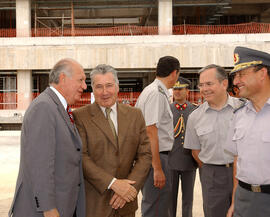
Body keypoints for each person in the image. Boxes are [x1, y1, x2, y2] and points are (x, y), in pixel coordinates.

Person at [8, 58, 87, 217]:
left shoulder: (58, 108)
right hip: (45, 211)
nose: (84, 86)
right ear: (63, 79)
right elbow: (40, 165)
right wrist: (48, 208)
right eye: (81, 80)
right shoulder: (44, 107)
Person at [73, 64, 152, 217]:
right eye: (99, 87)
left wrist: (129, 189)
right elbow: (81, 157)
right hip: (95, 204)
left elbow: (145, 155)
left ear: (117, 87)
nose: (105, 92)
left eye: (109, 85)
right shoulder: (80, 116)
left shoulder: (135, 115)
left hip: (126, 203)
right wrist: (113, 184)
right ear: (93, 89)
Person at [184, 64, 243, 217]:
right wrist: (212, 169)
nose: (204, 89)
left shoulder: (243, 109)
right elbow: (195, 151)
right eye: (201, 85)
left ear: (224, 83)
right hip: (212, 175)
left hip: (243, 173)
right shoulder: (194, 117)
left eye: (209, 84)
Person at [225, 46, 270, 217]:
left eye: (241, 74)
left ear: (262, 73)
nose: (235, 81)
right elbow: (238, 161)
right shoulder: (239, 116)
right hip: (243, 198)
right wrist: (235, 201)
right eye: (235, 76)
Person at [135, 56, 180, 217]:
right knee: (156, 207)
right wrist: (158, 167)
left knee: (158, 205)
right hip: (157, 157)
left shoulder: (152, 90)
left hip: (154, 157)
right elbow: (150, 130)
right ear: (175, 73)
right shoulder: (157, 93)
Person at [168, 77, 198, 217]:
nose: (177, 92)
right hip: (171, 161)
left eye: (180, 89)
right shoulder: (167, 110)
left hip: (189, 161)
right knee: (170, 199)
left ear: (187, 91)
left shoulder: (195, 110)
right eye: (175, 89)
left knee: (188, 199)